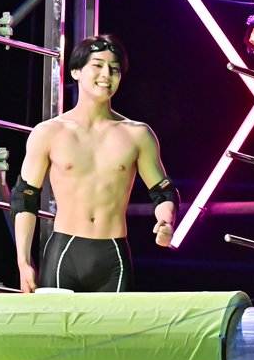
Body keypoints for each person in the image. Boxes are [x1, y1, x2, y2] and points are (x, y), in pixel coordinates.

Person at [10, 35, 179, 293]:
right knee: (56, 321)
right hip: (64, 253)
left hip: (113, 255)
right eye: (97, 65)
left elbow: (163, 191)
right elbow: (25, 197)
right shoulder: (49, 132)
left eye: (114, 69)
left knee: (117, 322)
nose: (106, 75)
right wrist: (23, 262)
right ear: (76, 71)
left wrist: (166, 220)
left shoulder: (137, 134)